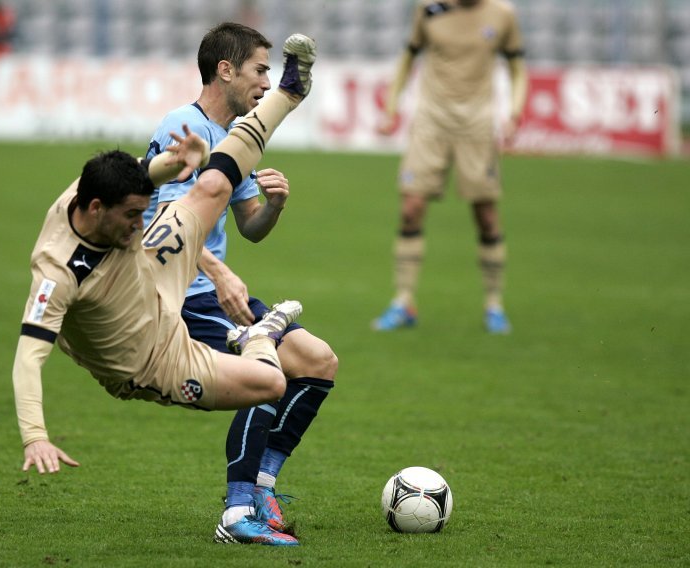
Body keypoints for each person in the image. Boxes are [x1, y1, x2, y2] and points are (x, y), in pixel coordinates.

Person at [11, 34, 317, 548]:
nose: (139, 223)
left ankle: (291, 95)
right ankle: (259, 338)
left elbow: (147, 179)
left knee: (214, 186)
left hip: (154, 272)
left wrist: (183, 162)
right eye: (130, 217)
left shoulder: (109, 203)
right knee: (271, 381)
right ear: (91, 211)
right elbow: (27, 359)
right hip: (153, 356)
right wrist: (36, 436)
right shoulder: (57, 272)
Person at [143, 23, 336, 546]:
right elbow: (167, 222)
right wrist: (216, 270)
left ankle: (264, 486)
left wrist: (273, 206)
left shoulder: (236, 143)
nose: (265, 82)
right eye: (259, 70)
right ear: (224, 70)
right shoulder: (184, 126)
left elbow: (250, 227)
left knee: (318, 361)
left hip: (214, 290)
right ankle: (237, 511)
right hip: (178, 294)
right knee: (264, 369)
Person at [372, 0, 528, 334]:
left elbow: (517, 68)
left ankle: (494, 306)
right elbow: (407, 58)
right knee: (411, 208)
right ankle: (403, 302)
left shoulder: (502, 15)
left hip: (477, 125)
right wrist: (391, 108)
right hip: (431, 121)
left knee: (486, 215)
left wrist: (514, 113)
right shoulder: (430, 9)